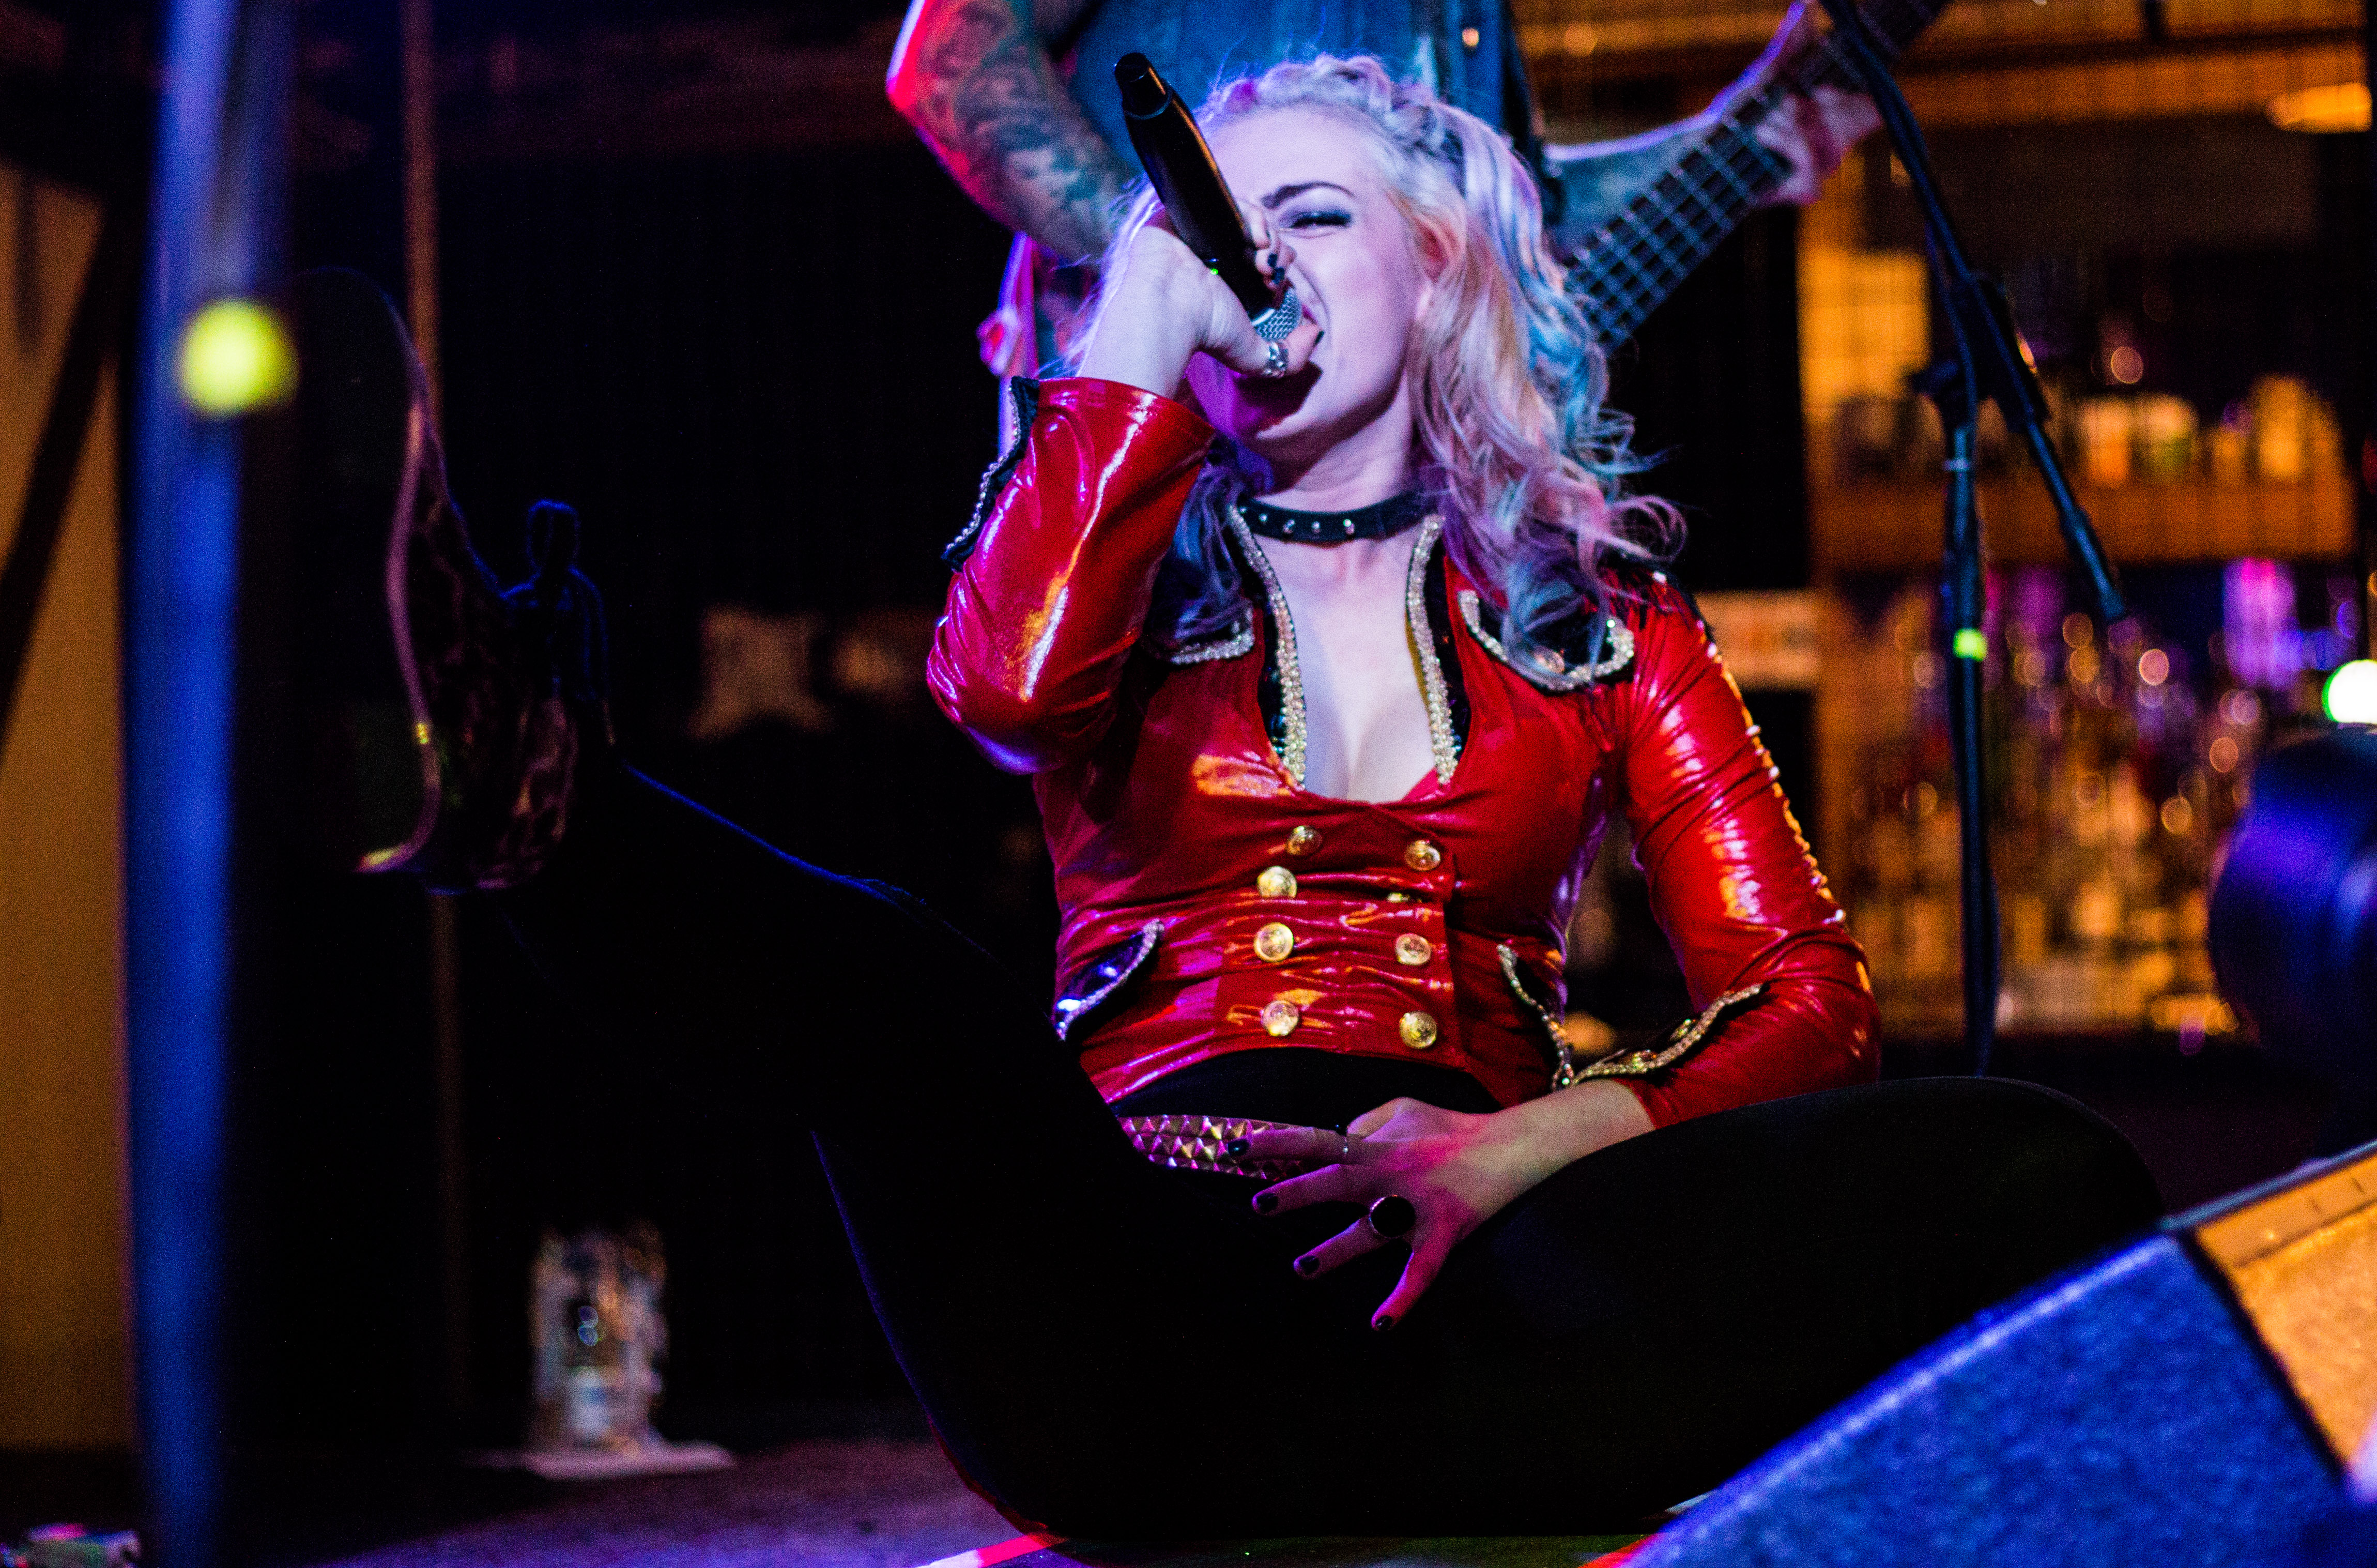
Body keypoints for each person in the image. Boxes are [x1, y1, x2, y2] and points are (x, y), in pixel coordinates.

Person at [295, 58, 2155, 1538]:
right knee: (910, 984)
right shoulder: (1100, 564)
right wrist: (1128, 339)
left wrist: (1535, 1144)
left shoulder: (1605, 622)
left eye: (1312, 218)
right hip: (1128, 1305)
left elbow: (1809, 996)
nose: (1251, 264)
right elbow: (1001, 693)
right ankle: (526, 782)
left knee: (2045, 1160)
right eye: (1209, 236)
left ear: (1440, 273)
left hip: (1486, 1297)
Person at [885, 0, 1876, 392]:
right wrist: (1186, 279)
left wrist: (1740, 142)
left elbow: (1508, 210)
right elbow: (949, 62)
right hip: (1181, 466)